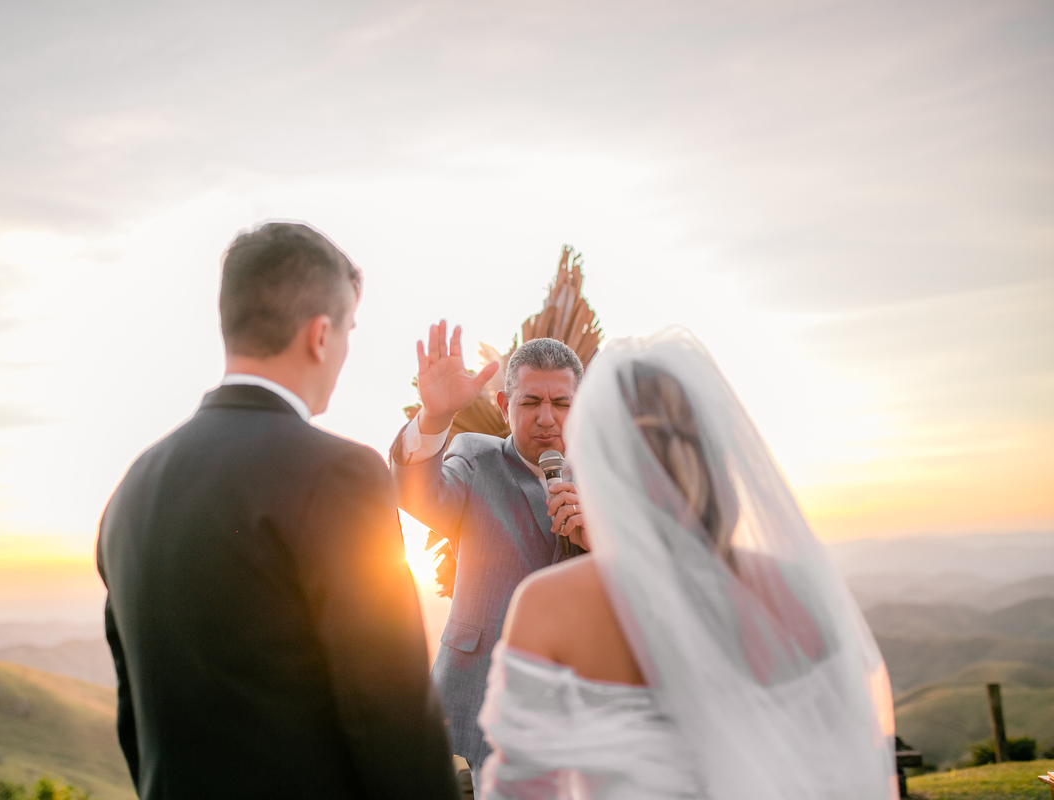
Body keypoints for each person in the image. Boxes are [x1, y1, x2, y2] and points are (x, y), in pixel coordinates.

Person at [96, 223, 459, 800]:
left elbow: (135, 721)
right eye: (348, 330)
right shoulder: (340, 472)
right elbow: (393, 716)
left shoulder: (134, 487)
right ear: (320, 335)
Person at [478, 328, 898, 799]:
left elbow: (521, 792)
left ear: (601, 458)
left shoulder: (549, 607)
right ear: (721, 456)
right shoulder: (800, 593)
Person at [391, 324, 590, 789]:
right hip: (477, 711)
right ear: (504, 405)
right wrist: (434, 418)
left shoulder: (604, 482)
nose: (547, 418)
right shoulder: (476, 459)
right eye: (530, 402)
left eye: (561, 404)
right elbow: (414, 493)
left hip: (574, 716)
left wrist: (598, 537)